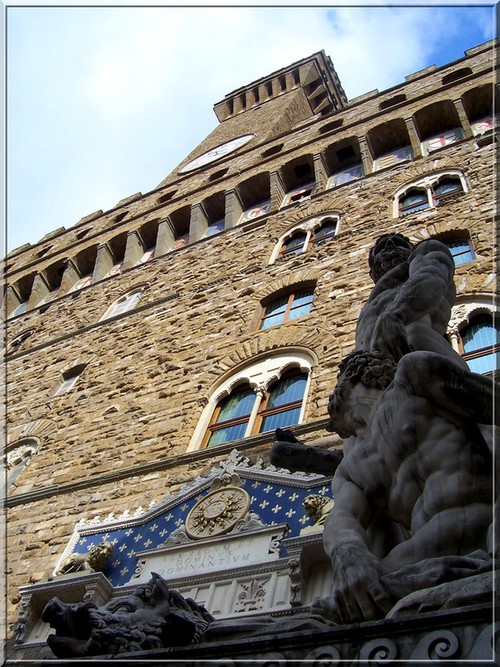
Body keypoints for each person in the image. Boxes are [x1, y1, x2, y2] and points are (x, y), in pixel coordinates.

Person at [311, 349, 496, 624]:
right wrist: (346, 552)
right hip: (421, 557)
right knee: (331, 614)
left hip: (487, 522)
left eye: (340, 428)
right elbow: (343, 518)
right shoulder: (350, 467)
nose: (342, 433)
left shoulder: (413, 376)